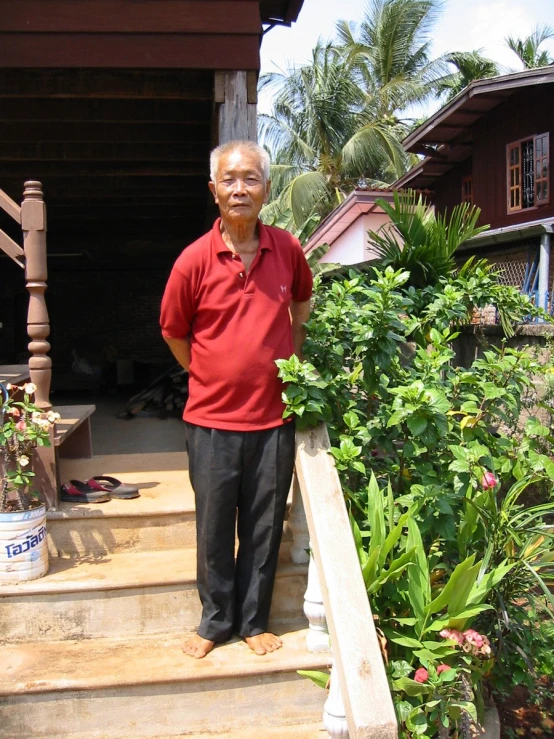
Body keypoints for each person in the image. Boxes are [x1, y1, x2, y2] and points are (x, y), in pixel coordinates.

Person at [160, 140, 313, 659]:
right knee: (214, 526)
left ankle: (253, 622)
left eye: (250, 178)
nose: (240, 189)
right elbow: (173, 332)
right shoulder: (192, 262)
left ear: (267, 189)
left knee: (265, 528)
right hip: (210, 423)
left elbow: (302, 301)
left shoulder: (287, 249)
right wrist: (205, 373)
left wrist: (289, 351)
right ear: (213, 191)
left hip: (273, 421)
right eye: (229, 180)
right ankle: (214, 621)